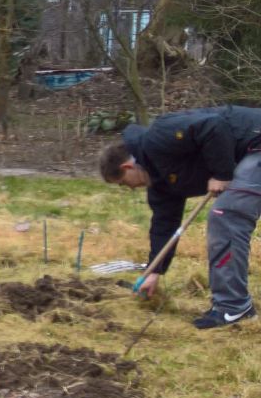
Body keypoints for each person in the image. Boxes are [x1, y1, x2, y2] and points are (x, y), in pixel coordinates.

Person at [100, 105, 261, 329]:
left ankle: (233, 308)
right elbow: (164, 226)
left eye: (125, 183)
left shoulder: (159, 137)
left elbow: (213, 126)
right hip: (247, 156)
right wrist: (154, 271)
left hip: (255, 142)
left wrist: (221, 174)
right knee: (228, 211)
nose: (131, 188)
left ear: (127, 167)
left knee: (226, 215)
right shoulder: (159, 184)